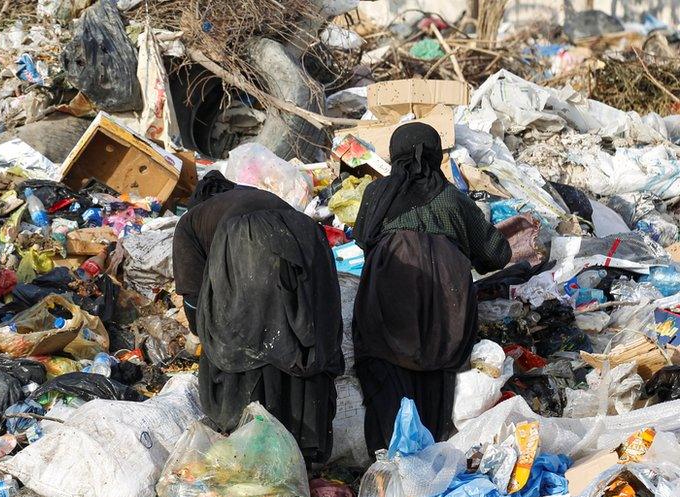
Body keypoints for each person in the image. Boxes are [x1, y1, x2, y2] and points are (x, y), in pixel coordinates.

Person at [351, 122, 512, 457]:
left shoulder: (377, 195)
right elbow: (496, 254)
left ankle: (387, 454)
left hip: (388, 304)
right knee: (438, 372)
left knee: (386, 368)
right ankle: (433, 451)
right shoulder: (453, 199)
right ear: (436, 155)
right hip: (447, 308)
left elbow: (362, 238)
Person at [173, 171, 343, 464]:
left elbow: (192, 294)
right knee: (295, 342)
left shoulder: (191, 221)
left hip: (247, 243)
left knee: (245, 347)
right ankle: (300, 448)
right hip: (306, 237)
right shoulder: (260, 198)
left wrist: (203, 333)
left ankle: (251, 450)